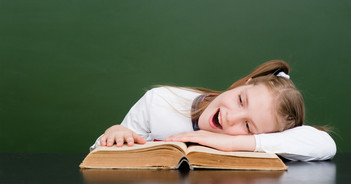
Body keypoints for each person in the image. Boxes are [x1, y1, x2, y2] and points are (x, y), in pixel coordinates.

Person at [90, 60, 336, 161]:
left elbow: (326, 144)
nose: (231, 117)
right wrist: (114, 133)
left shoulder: (269, 140)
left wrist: (235, 143)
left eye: (248, 126)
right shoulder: (160, 101)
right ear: (243, 84)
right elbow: (96, 155)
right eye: (241, 100)